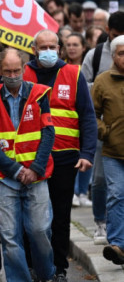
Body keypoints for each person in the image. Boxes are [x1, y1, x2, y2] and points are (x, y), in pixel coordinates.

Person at [23, 29, 96, 281]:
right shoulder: (22, 74)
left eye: (52, 47)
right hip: (31, 157)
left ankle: (59, 267)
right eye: (43, 47)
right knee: (31, 217)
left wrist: (87, 153)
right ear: (34, 50)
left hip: (65, 156)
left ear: (60, 49)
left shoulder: (73, 74)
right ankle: (32, 266)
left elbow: (87, 115)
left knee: (61, 216)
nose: (48, 52)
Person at [0, 48, 56, 282]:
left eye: (17, 70)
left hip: (37, 176)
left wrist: (35, 168)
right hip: (4, 178)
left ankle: (46, 275)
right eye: (8, 71)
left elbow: (48, 134)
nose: (13, 75)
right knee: (9, 237)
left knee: (40, 231)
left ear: (24, 69)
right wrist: (14, 169)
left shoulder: (39, 94)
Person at [91, 35, 124, 265]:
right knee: (117, 194)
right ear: (113, 56)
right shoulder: (102, 81)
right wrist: (106, 130)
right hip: (113, 152)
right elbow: (91, 115)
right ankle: (117, 244)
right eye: (121, 53)